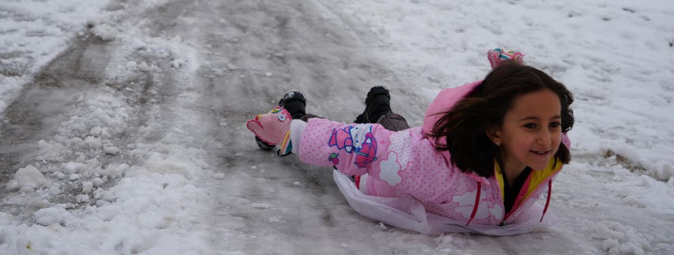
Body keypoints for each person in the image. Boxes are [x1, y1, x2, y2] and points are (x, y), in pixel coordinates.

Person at [246, 49, 574, 235]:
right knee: (390, 140)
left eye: (554, 124)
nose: (547, 139)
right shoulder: (437, 169)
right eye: (531, 126)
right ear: (495, 131)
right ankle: (294, 114)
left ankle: (378, 108)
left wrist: (512, 74)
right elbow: (370, 147)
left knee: (398, 130)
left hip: (411, 153)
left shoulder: (553, 153)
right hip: (385, 180)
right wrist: (295, 134)